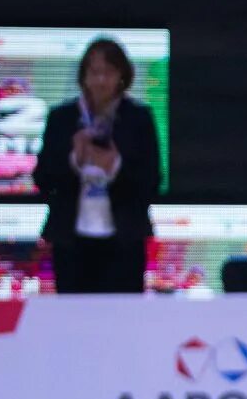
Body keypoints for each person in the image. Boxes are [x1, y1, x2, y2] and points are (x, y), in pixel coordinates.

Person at [33, 38, 161, 294]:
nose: (101, 80)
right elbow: (42, 178)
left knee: (122, 321)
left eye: (109, 72)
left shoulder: (138, 118)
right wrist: (75, 160)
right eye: (94, 72)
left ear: (122, 76)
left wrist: (115, 166)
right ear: (83, 76)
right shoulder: (61, 118)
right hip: (71, 242)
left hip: (124, 241)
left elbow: (152, 181)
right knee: (73, 322)